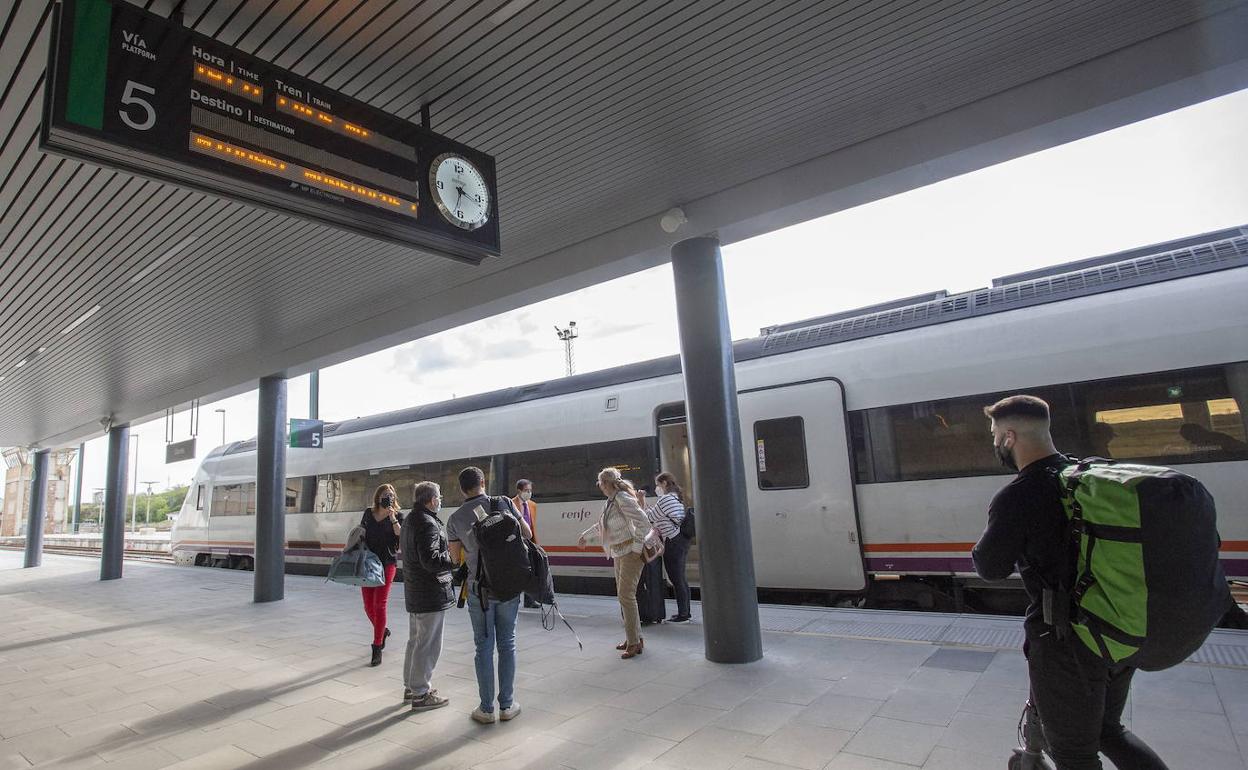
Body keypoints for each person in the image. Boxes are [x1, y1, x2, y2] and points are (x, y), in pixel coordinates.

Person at [972, 395, 1168, 770]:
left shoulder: (1020, 493)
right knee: (1109, 731)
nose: (995, 441)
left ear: (1009, 437)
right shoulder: (1084, 474)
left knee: (1074, 754)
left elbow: (991, 566)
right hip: (1115, 624)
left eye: (995, 434)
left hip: (1064, 641)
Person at [447, 466, 531, 724]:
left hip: (478, 590)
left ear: (462, 489)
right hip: (508, 586)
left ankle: (486, 709)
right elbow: (527, 534)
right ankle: (507, 705)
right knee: (507, 643)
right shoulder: (504, 502)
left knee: (483, 647)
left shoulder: (455, 519)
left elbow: (453, 557)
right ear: (483, 482)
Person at [578, 467, 654, 659]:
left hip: (630, 552)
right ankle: (634, 638)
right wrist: (585, 536)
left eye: (600, 483)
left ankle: (634, 642)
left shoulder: (622, 498)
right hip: (619, 552)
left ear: (605, 484)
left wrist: (637, 548)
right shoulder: (610, 502)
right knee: (624, 597)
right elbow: (601, 525)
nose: (599, 486)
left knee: (626, 597)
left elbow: (644, 522)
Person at [400, 481, 453, 712]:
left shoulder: (411, 519)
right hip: (430, 592)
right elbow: (431, 560)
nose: (440, 500)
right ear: (432, 500)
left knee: (415, 641)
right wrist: (454, 559)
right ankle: (421, 694)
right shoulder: (428, 523)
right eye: (439, 496)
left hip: (415, 590)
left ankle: (412, 687)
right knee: (428, 643)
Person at [360, 483, 403, 667]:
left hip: (387, 564)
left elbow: (401, 536)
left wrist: (393, 517)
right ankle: (382, 631)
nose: (387, 497)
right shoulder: (368, 513)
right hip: (368, 563)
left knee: (379, 605)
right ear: (377, 497)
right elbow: (361, 532)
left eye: (391, 495)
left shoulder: (398, 516)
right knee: (368, 606)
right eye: (384, 495)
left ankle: (377, 646)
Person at [644, 472, 691, 623]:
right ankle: (684, 612)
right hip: (680, 540)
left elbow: (650, 517)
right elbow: (657, 516)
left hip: (673, 541)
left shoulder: (665, 499)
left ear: (664, 483)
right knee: (680, 578)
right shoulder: (675, 498)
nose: (657, 488)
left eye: (658, 485)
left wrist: (641, 501)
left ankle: (683, 614)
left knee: (677, 578)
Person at [512, 479, 540, 608]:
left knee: (531, 571)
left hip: (530, 541)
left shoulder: (532, 505)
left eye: (530, 491)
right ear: (519, 491)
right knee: (517, 571)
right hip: (517, 542)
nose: (529, 493)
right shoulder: (511, 504)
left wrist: (535, 543)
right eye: (526, 491)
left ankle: (529, 600)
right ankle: (514, 598)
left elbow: (533, 525)